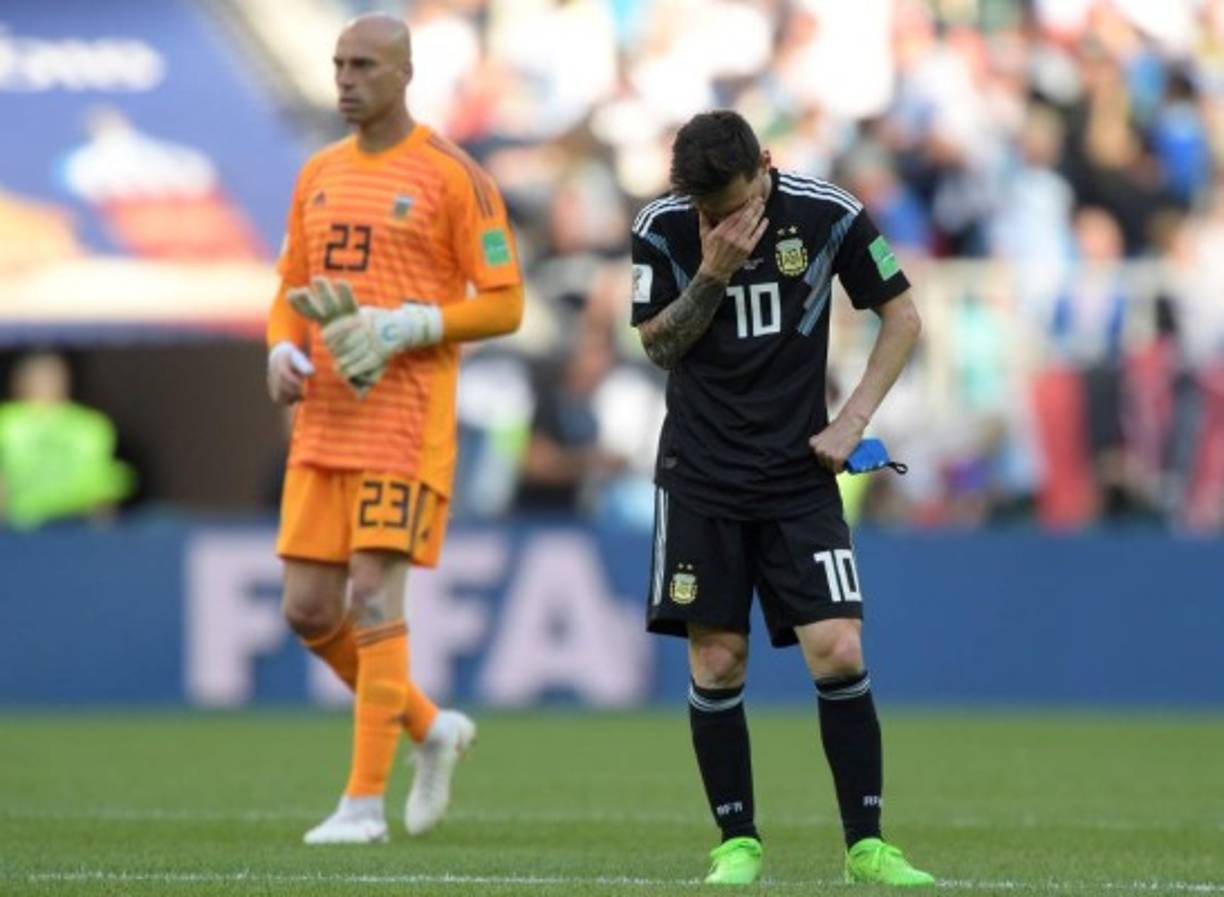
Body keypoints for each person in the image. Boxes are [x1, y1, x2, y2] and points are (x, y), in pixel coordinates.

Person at [630, 110, 933, 886]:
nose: (721, 222)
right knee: (717, 658)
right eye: (707, 210)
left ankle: (866, 844)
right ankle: (737, 842)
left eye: (732, 206)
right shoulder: (664, 228)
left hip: (798, 474)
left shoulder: (828, 214)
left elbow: (902, 317)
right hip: (700, 475)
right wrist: (712, 273)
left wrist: (853, 420)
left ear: (764, 165)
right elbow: (658, 345)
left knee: (839, 645)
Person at [264, 13, 524, 845]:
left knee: (374, 593)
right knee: (309, 610)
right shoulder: (317, 173)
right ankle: (430, 726)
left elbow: (506, 302)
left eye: (364, 65)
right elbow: (291, 284)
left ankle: (362, 805)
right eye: (339, 64)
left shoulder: (454, 175)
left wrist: (408, 324)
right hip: (323, 419)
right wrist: (280, 349)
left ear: (405, 72)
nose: (346, 79)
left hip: (404, 421)